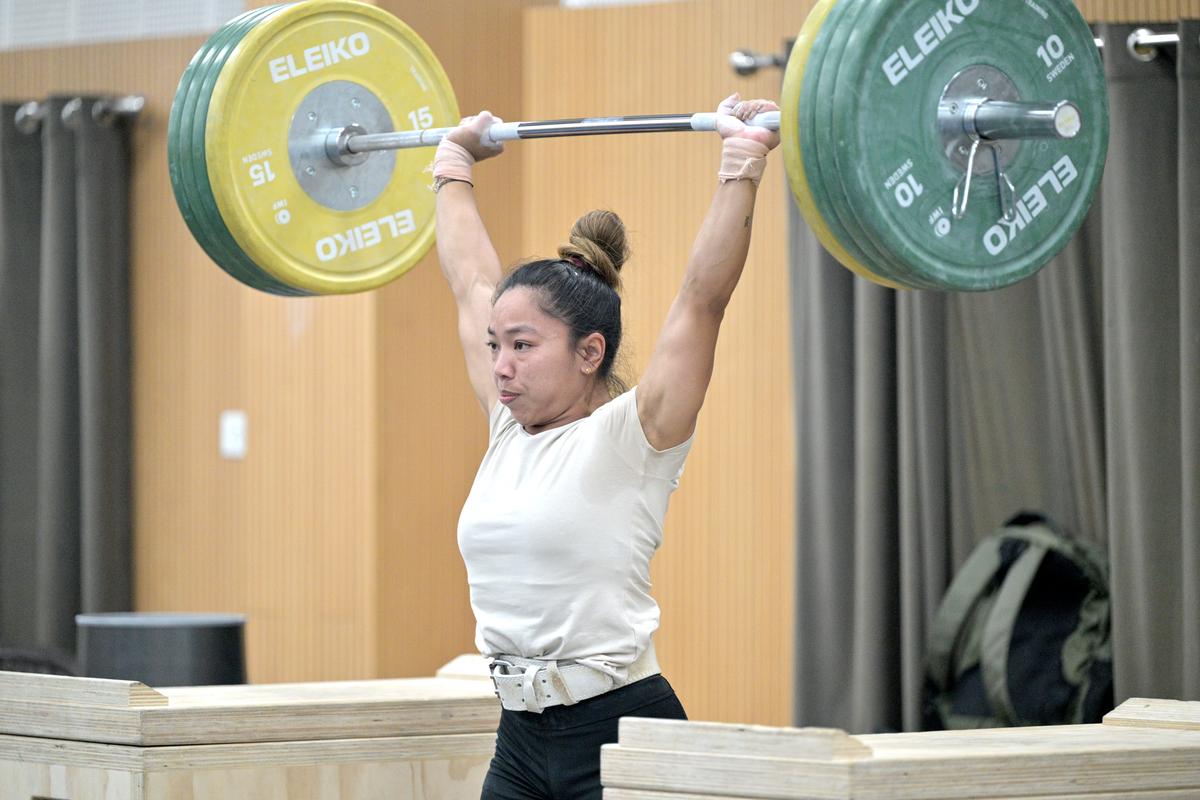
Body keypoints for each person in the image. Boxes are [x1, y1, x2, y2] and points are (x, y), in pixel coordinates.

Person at [432, 93, 779, 800]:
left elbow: (702, 300)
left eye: (523, 346)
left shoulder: (633, 437)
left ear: (589, 352)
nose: (501, 366)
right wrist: (453, 165)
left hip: (621, 730)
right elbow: (470, 282)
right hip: (519, 740)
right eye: (496, 346)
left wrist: (741, 162)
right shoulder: (505, 428)